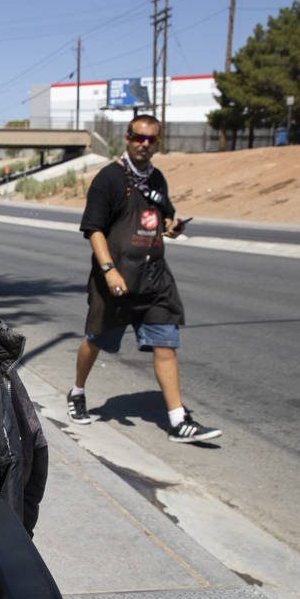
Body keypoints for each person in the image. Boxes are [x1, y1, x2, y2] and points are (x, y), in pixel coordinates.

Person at [66, 114, 222, 444]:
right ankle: (77, 391)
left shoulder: (157, 180)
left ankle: (179, 420)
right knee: (96, 340)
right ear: (127, 137)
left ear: (157, 142)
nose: (143, 144)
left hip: (153, 278)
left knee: (165, 343)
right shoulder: (108, 179)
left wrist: (172, 228)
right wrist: (109, 270)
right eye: (138, 137)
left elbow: (162, 219)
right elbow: (93, 229)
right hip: (116, 279)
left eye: (151, 140)